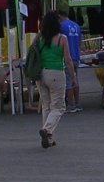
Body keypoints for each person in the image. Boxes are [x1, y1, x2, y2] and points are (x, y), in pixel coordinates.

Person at [36, 10, 77, 149]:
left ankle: (49, 138)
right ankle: (47, 129)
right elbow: (68, 60)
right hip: (56, 74)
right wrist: (73, 76)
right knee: (59, 107)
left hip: (41, 74)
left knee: (46, 106)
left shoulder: (39, 38)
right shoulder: (62, 39)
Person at [59, 10, 83, 112]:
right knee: (75, 80)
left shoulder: (61, 26)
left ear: (60, 16)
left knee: (68, 81)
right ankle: (77, 103)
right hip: (76, 56)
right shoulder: (77, 26)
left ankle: (70, 104)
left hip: (66, 57)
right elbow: (80, 42)